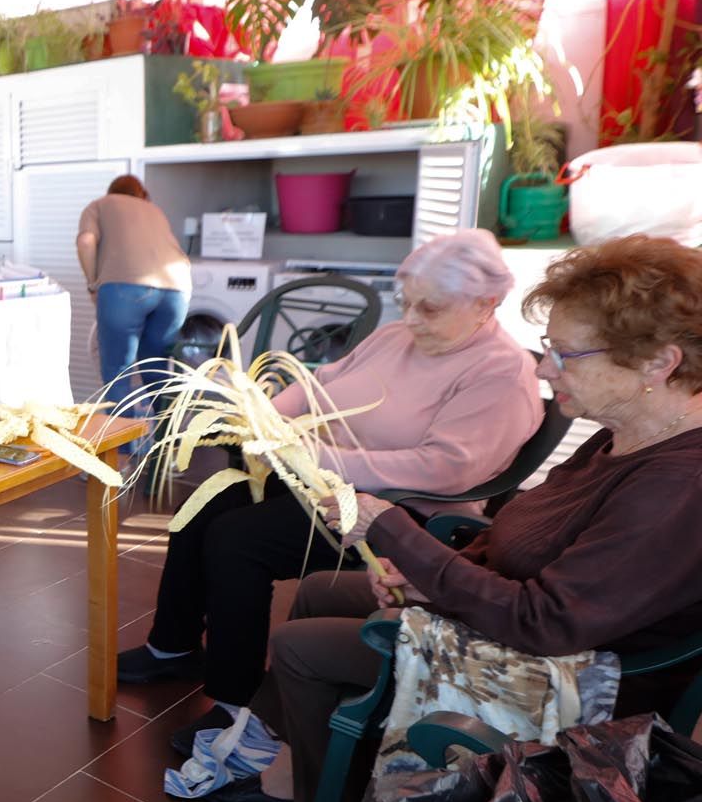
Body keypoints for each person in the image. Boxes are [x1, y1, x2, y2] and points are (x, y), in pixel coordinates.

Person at [233, 235, 702, 802]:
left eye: (567, 355)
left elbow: (548, 623)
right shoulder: (625, 433)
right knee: (321, 590)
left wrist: (395, 530)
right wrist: (438, 576)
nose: (546, 369)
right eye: (547, 348)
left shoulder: (679, 485)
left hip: (574, 677)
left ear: (660, 362)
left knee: (299, 647)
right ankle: (312, 758)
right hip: (530, 614)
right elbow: (532, 539)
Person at [119, 229, 544, 743]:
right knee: (201, 507)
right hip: (319, 476)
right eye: (405, 303)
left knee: (238, 540)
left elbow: (449, 469)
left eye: (429, 309)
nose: (410, 321)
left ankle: (237, 702)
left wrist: (324, 458)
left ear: (487, 303)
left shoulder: (500, 371)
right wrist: (263, 416)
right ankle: (175, 646)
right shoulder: (395, 338)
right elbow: (319, 383)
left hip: (397, 512)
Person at [76, 175, 191, 435]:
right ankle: (167, 449)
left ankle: (123, 454)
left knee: (119, 370)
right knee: (157, 367)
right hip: (178, 288)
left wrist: (93, 283)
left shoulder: (100, 205)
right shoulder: (154, 210)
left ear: (111, 191)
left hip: (125, 288)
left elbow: (85, 241)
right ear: (142, 194)